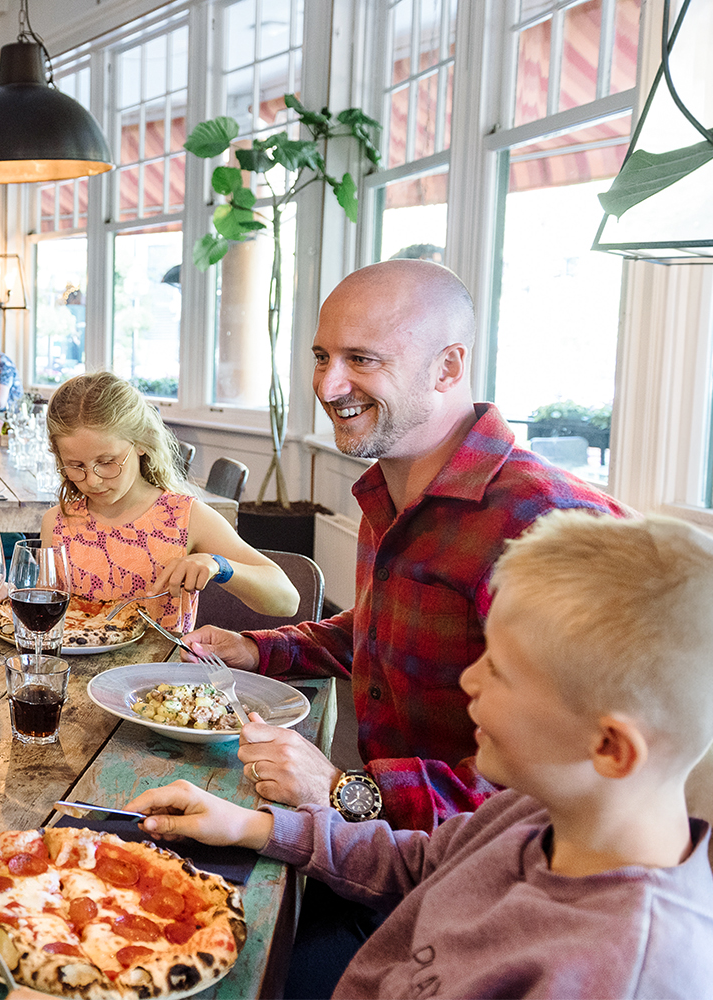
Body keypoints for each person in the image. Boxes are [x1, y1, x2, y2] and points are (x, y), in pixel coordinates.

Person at [130, 511, 713, 999]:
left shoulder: (623, 973)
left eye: (500, 670)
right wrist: (250, 826)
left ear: (609, 748)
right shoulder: (535, 815)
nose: (470, 680)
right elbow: (420, 865)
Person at [185, 260, 632, 832]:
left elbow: (560, 784)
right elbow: (381, 634)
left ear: (448, 367)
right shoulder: (390, 488)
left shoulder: (550, 525)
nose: (328, 386)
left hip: (480, 882)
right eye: (322, 357)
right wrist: (256, 649)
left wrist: (343, 790)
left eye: (362, 359)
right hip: (384, 844)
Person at [44, 372, 298, 632]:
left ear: (141, 442)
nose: (92, 481)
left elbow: (287, 600)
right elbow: (47, 617)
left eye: (107, 462)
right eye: (76, 466)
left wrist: (218, 565)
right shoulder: (57, 522)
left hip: (159, 671)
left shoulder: (185, 518)